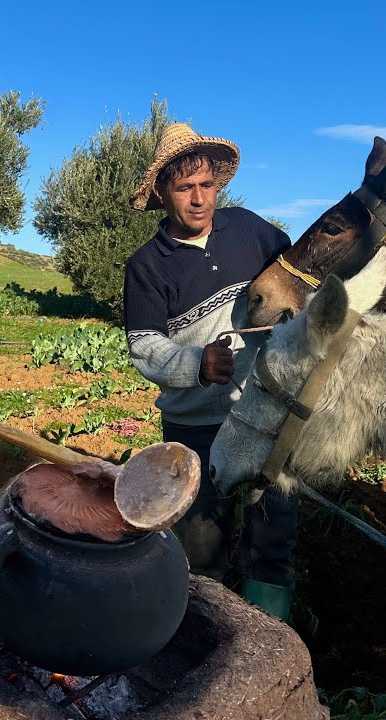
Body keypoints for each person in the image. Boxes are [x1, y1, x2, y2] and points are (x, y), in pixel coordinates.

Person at [122, 122, 299, 620]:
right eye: (184, 188)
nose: (199, 199)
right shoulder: (147, 267)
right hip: (194, 427)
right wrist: (197, 364)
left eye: (207, 185)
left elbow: (294, 274)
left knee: (274, 538)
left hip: (265, 417)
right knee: (201, 548)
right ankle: (207, 637)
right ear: (162, 193)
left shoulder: (248, 228)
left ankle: (270, 640)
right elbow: (144, 348)